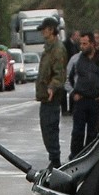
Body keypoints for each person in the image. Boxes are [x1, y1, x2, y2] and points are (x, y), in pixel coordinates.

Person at [35, 18, 68, 167]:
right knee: (46, 128)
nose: (43, 32)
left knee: (50, 127)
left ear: (51, 30)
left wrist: (52, 88)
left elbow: (59, 74)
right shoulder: (49, 48)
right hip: (45, 97)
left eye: (45, 29)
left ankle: (55, 160)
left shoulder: (57, 49)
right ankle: (53, 158)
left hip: (52, 97)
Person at [66, 32, 99, 156]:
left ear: (92, 44)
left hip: (96, 101)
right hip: (81, 101)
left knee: (94, 132)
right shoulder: (76, 60)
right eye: (81, 44)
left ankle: (90, 155)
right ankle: (75, 156)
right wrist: (73, 93)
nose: (82, 46)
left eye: (85, 44)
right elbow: (67, 79)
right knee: (78, 132)